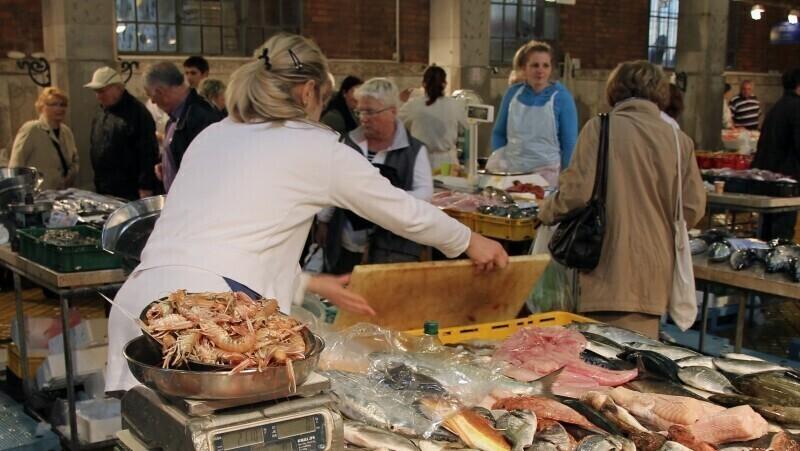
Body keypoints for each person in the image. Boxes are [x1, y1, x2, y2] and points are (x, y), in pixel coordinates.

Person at [105, 33, 508, 393]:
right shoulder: (314, 145)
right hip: (217, 320)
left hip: (141, 304)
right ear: (310, 91)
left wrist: (308, 282)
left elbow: (223, 236)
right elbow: (401, 210)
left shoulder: (214, 133)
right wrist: (471, 240)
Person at [537, 60, 706, 338]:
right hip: (654, 274)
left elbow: (574, 194)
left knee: (598, 364)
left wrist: (546, 212)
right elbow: (692, 208)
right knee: (638, 366)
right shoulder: (679, 140)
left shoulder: (599, 129)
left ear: (615, 90)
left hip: (604, 267)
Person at [318, 77, 434, 273]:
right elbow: (331, 183)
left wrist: (383, 198)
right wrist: (323, 220)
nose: (363, 118)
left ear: (393, 111)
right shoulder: (348, 143)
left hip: (394, 250)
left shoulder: (414, 151)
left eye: (370, 111)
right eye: (360, 111)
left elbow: (425, 194)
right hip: (347, 245)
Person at [490, 40, 578, 186]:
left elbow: (569, 143)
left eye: (545, 65)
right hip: (513, 173)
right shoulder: (512, 94)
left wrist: (566, 179)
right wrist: (501, 161)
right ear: (524, 67)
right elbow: (499, 132)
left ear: (551, 68)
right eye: (535, 65)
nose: (540, 70)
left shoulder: (562, 97)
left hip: (547, 176)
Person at [144, 62, 222, 192]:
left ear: (160, 92)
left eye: (150, 95)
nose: (152, 101)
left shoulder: (201, 117)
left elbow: (206, 173)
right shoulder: (176, 117)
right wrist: (168, 166)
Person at [85, 66, 160, 200]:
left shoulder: (137, 113)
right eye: (96, 92)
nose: (98, 96)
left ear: (118, 88)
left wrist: (145, 186)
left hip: (129, 190)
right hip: (104, 186)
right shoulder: (102, 111)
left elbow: (148, 152)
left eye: (102, 91)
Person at [751, 69, 800, 240]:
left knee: (767, 229)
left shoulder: (777, 107)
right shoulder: (796, 107)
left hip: (769, 177)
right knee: (782, 233)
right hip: (787, 180)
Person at [398, 65, 468, 173]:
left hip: (420, 159)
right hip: (447, 162)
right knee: (447, 189)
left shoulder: (414, 104)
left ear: (423, 84)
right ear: (445, 84)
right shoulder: (455, 105)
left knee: (421, 187)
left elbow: (397, 124)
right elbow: (464, 129)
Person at [9, 87, 79, 190]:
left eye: (63, 105)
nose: (59, 109)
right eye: (54, 104)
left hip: (63, 194)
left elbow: (74, 160)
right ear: (42, 107)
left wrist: (70, 176)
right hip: (38, 197)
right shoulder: (32, 129)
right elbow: (16, 165)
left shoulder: (66, 132)